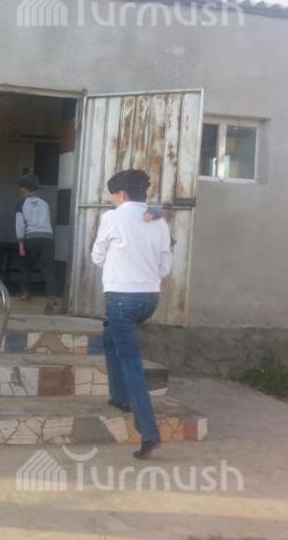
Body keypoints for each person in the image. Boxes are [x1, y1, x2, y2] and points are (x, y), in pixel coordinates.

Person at [91, 169, 173, 460]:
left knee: (131, 364)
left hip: (121, 298)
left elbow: (97, 257)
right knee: (110, 339)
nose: (111, 200)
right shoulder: (158, 221)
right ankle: (119, 397)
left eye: (112, 196)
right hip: (150, 298)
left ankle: (149, 432)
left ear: (122, 194)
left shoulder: (113, 218)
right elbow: (164, 267)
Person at [15, 174, 57, 302]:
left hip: (32, 238)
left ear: (24, 189)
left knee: (25, 264)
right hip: (48, 238)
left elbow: (20, 225)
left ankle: (25, 292)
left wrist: (21, 244)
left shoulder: (21, 204)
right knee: (48, 268)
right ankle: (51, 295)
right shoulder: (45, 204)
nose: (19, 189)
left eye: (20, 187)